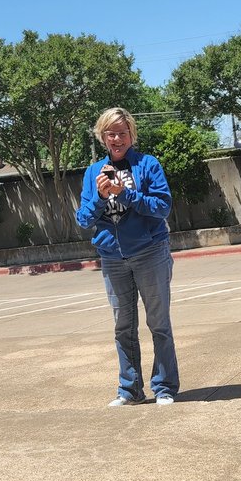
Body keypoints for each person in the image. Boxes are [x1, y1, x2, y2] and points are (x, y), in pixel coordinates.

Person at [75, 107, 180, 407]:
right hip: (112, 258)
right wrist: (99, 197)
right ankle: (130, 390)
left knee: (158, 322)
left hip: (150, 252)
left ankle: (164, 387)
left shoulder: (148, 165)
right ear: (102, 137)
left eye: (122, 132)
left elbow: (162, 207)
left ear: (131, 134)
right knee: (123, 326)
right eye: (111, 133)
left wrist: (125, 194)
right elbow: (83, 219)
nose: (117, 139)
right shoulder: (93, 172)